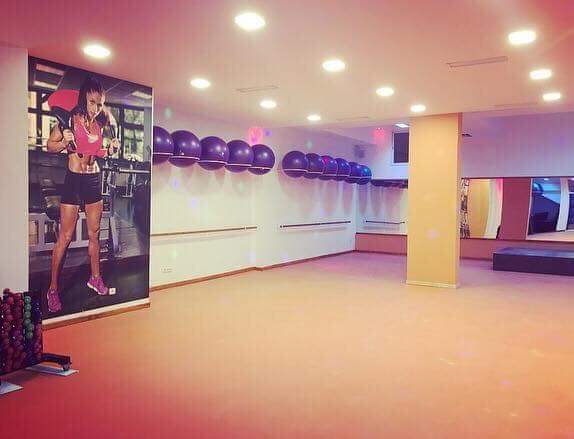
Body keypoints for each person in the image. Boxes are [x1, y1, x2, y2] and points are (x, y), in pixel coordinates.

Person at [46, 77, 119, 312]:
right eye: (92, 102)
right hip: (74, 180)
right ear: (83, 99)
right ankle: (53, 289)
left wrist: (109, 149)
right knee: (66, 236)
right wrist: (63, 143)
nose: (95, 108)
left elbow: (96, 152)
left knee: (94, 233)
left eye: (99, 104)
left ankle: (95, 278)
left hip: (93, 180)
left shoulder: (98, 126)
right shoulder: (68, 120)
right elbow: (49, 146)